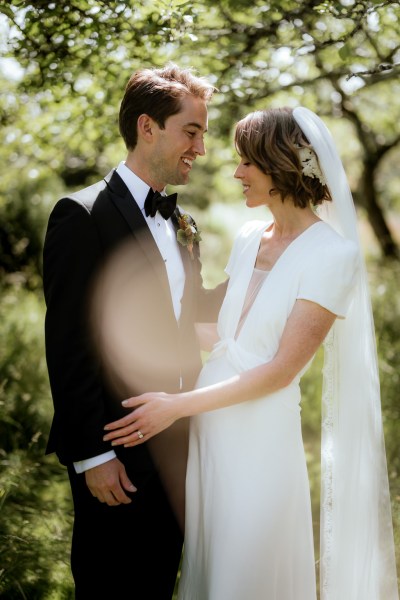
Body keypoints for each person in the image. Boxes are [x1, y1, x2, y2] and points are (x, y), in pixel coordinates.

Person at [104, 107, 399, 599]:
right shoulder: (247, 239)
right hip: (210, 432)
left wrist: (174, 407)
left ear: (280, 164)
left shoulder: (333, 255)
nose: (236, 173)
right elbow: (219, 334)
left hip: (259, 435)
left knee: (246, 569)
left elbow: (280, 370)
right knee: (210, 564)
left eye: (247, 163)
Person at [42, 63, 226, 599]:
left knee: (157, 581)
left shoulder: (180, 223)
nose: (201, 148)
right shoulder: (81, 215)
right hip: (115, 450)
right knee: (110, 585)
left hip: (178, 441)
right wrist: (92, 455)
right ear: (148, 127)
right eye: (191, 132)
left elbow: (190, 315)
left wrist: (270, 262)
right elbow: (69, 343)